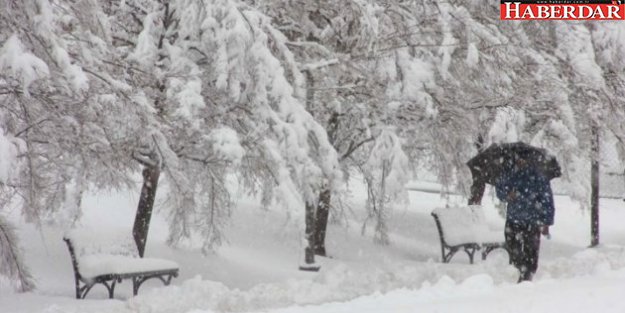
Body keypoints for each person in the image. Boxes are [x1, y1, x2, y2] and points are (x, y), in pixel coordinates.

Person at [496, 158, 555, 282]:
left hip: (532, 220)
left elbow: (547, 199)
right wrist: (507, 195)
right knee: (513, 246)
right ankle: (522, 269)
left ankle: (527, 274)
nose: (520, 161)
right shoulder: (510, 172)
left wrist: (546, 221)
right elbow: (500, 189)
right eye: (518, 158)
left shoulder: (538, 175)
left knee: (531, 250)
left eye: (523, 158)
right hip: (513, 219)